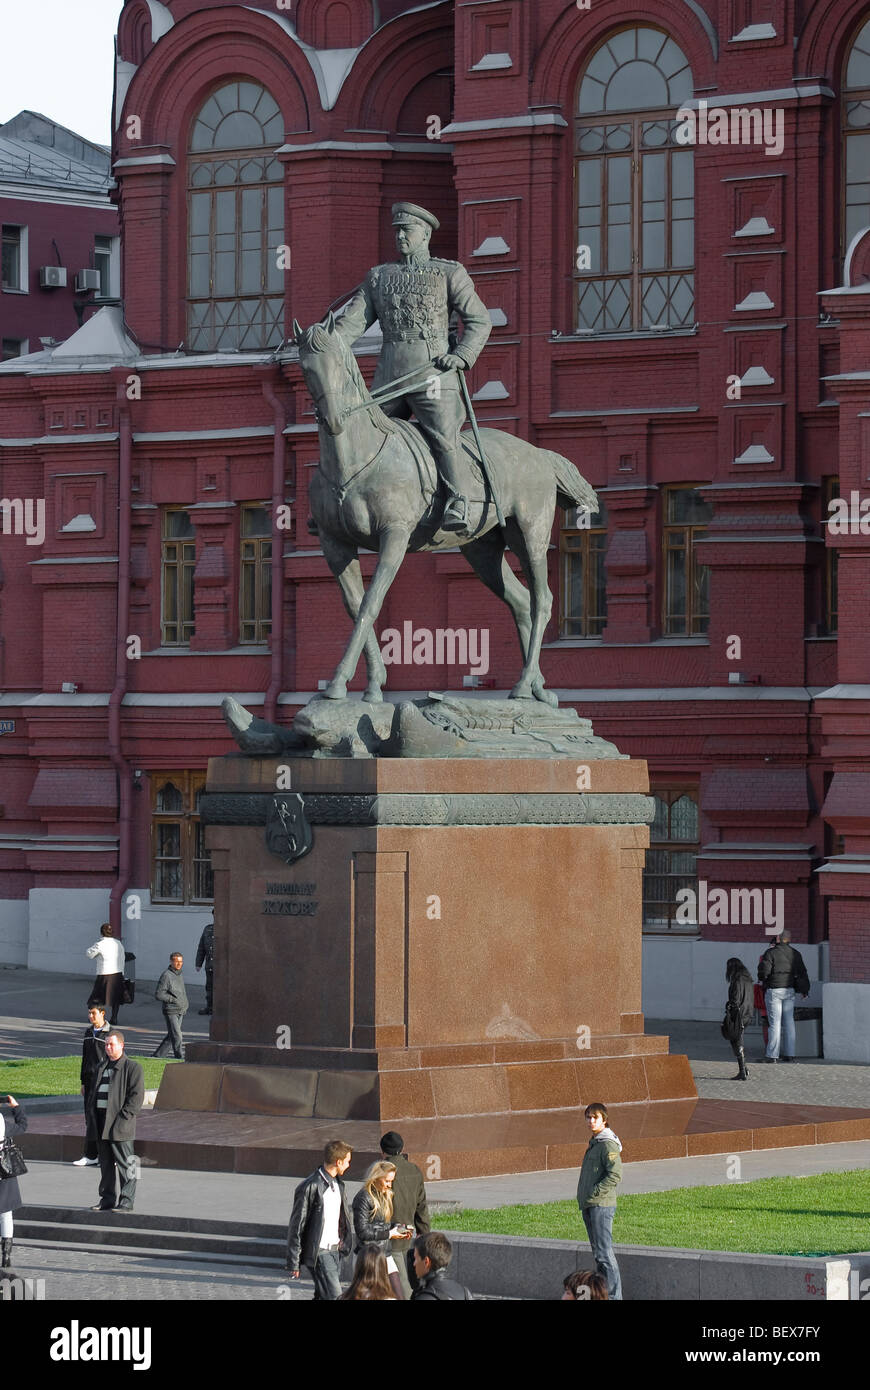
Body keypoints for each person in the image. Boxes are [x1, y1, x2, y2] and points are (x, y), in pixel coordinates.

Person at [336, 201, 491, 532]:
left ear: (426, 234)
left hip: (432, 373)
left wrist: (462, 354)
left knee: (442, 432)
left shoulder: (449, 273)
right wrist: (323, 343)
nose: (401, 236)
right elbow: (351, 325)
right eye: (397, 231)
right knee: (356, 431)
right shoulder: (379, 278)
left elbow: (479, 320)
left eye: (407, 230)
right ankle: (339, 500)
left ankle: (458, 500)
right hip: (390, 377)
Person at [286, 1139, 353, 1300]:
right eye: (347, 1161)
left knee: (323, 1296)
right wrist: (294, 1261)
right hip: (320, 1252)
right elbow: (297, 1225)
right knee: (336, 1296)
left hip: (336, 1251)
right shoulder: (310, 1186)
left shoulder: (338, 1185)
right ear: (338, 1162)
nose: (349, 1165)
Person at [85, 1031, 144, 1212]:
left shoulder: (132, 1067)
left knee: (128, 1164)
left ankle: (127, 1200)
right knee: (106, 1164)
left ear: (121, 1045)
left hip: (120, 1124)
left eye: (112, 1044)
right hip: (101, 1122)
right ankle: (107, 1199)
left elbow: (136, 1098)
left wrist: (123, 1118)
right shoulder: (102, 1066)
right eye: (106, 1045)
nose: (108, 1048)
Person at [576, 1101, 623, 1301]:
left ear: (604, 1120)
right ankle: (603, 1295)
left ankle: (613, 1296)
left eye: (595, 1117)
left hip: (601, 1205)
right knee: (599, 1254)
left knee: (604, 1253)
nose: (591, 1121)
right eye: (588, 1117)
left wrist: (595, 1192)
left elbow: (615, 1175)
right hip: (590, 1204)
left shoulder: (607, 1144)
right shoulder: (595, 1142)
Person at [380, 1130, 430, 1296]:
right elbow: (421, 1205)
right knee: (407, 1279)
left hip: (389, 1237)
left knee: (400, 1287)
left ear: (382, 1151)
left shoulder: (382, 1172)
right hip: (409, 1235)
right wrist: (423, 1233)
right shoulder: (414, 1170)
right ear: (402, 1149)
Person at [352, 1158, 412, 1299]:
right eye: (387, 1181)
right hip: (368, 1256)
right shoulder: (363, 1197)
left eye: (391, 1181)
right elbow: (362, 1232)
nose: (389, 1185)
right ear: (376, 1178)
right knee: (366, 1295)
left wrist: (398, 1228)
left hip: (385, 1253)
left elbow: (381, 1224)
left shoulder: (384, 1195)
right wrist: (390, 1233)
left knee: (399, 1294)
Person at [758, 930, 810, 1063]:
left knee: (775, 1023)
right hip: (789, 990)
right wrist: (805, 990)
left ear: (778, 938)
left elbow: (763, 973)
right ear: (789, 939)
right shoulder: (796, 954)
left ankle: (772, 1055)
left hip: (774, 990)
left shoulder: (770, 953)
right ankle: (790, 1054)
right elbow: (803, 973)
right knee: (789, 1023)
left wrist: (763, 978)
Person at [72, 1004, 112, 1166]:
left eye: (93, 1013)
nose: (90, 1016)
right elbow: (85, 1058)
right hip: (89, 1082)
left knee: (103, 1117)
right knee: (90, 1118)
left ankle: (107, 1156)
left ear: (102, 1013)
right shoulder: (88, 1033)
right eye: (89, 1013)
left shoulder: (110, 1034)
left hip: (103, 1081)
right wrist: (83, 1081)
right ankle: (90, 1155)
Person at [0, 1094, 27, 1272]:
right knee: (5, 1213)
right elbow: (22, 1126)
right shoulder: (1, 1121)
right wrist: (16, 1107)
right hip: (3, 1170)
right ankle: (6, 1256)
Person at [410, 1231, 472, 1300]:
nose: (414, 1263)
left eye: (415, 1258)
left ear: (426, 1262)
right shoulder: (464, 1292)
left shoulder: (423, 1297)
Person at [86, 922, 125, 1026]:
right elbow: (122, 958)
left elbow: (89, 954)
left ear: (101, 933)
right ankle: (114, 1017)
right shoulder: (118, 943)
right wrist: (122, 972)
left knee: (97, 997)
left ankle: (96, 1016)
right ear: (112, 932)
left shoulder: (100, 944)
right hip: (117, 973)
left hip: (104, 973)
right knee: (116, 997)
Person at [724, 957, 755, 1081]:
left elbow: (735, 999)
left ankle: (742, 1070)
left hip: (739, 1014)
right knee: (738, 1038)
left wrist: (729, 1006)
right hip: (748, 1013)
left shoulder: (737, 980)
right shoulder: (748, 979)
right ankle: (744, 1069)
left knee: (736, 1040)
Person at [153, 951, 188, 1059]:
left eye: (181, 962)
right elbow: (159, 994)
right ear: (171, 962)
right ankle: (179, 1057)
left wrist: (185, 1003)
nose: (179, 964)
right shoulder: (166, 976)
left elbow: (181, 991)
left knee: (171, 1035)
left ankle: (158, 1056)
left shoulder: (179, 974)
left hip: (180, 1010)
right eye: (177, 962)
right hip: (171, 1010)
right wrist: (173, 999)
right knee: (177, 1035)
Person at [195, 918, 214, 1015]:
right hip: (210, 966)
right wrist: (198, 963)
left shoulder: (227, 929)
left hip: (223, 968)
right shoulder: (208, 929)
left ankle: (221, 1009)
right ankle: (210, 1007)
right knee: (209, 988)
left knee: (221, 989)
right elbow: (201, 947)